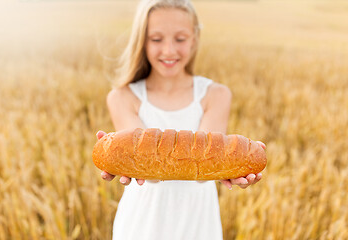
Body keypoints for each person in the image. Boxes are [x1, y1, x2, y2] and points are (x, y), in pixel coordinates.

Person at [96, 0, 265, 239]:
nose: (169, 50)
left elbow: (204, 169)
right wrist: (122, 159)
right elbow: (150, 173)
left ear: (195, 39)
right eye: (156, 39)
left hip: (198, 226)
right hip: (141, 227)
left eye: (180, 39)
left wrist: (230, 170)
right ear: (141, 41)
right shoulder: (122, 97)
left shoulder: (216, 95)